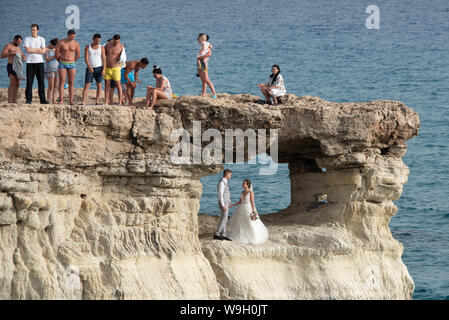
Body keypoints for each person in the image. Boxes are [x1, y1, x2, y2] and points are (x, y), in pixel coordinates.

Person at [228, 179, 268, 244]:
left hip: (248, 209)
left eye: (244, 183)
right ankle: (241, 235)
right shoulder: (242, 192)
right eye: (242, 183)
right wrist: (232, 205)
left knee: (250, 222)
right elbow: (240, 201)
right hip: (241, 208)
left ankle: (253, 236)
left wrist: (253, 212)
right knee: (240, 222)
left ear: (247, 185)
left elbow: (252, 203)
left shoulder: (251, 193)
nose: (242, 184)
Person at [23, 24, 48, 104]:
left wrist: (33, 49)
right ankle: (28, 100)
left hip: (40, 62)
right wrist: (38, 49)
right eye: (31, 30)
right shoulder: (27, 39)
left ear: (37, 30)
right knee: (29, 82)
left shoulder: (41, 39)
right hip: (30, 62)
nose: (32, 31)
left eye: (34, 30)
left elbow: (43, 51)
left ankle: (43, 100)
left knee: (41, 81)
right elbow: (28, 50)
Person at [55, 29, 80, 105]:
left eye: (74, 36)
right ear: (68, 35)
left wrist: (72, 61)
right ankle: (61, 99)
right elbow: (56, 54)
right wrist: (61, 61)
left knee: (71, 82)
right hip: (62, 63)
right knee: (62, 81)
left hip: (72, 64)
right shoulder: (61, 42)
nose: (73, 37)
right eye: (71, 36)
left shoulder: (75, 43)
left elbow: (78, 55)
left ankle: (71, 100)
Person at [82, 34, 106, 105]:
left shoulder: (101, 47)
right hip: (90, 68)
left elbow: (104, 58)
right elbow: (86, 58)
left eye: (98, 41)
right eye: (96, 41)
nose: (97, 42)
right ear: (93, 39)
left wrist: (104, 69)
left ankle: (97, 101)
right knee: (87, 85)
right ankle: (83, 101)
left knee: (99, 85)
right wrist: (89, 67)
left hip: (99, 67)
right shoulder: (88, 46)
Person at [1, 35, 26, 103]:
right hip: (11, 65)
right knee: (12, 82)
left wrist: (23, 57)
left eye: (20, 42)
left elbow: (22, 56)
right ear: (14, 40)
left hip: (18, 67)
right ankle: (9, 100)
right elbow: (2, 55)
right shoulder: (9, 46)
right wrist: (10, 53)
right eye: (18, 42)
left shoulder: (18, 47)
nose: (19, 43)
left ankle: (14, 100)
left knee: (17, 83)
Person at [104, 34, 124, 105]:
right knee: (107, 85)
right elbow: (103, 55)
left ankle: (120, 102)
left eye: (118, 42)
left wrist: (122, 64)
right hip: (107, 68)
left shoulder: (121, 47)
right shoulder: (107, 45)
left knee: (118, 85)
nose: (116, 43)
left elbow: (123, 58)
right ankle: (106, 102)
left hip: (116, 68)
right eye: (115, 41)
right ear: (113, 40)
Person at [213, 169, 232, 241]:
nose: (230, 176)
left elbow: (226, 193)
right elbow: (220, 195)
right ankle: (217, 233)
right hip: (223, 203)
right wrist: (223, 205)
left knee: (225, 217)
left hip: (226, 202)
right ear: (226, 174)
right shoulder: (222, 183)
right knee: (224, 218)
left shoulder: (225, 181)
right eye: (230, 175)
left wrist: (229, 203)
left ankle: (224, 234)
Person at [196, 33, 217, 98]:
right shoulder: (205, 45)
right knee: (202, 80)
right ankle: (203, 93)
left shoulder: (206, 45)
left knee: (206, 79)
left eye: (199, 38)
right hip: (200, 62)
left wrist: (200, 57)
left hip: (203, 62)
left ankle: (214, 94)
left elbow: (209, 54)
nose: (198, 40)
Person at [44, 38, 59, 104]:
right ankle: (48, 100)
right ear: (51, 44)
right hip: (50, 68)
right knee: (50, 86)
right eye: (54, 46)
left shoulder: (57, 49)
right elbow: (47, 59)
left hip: (57, 68)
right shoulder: (46, 49)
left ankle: (54, 100)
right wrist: (54, 56)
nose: (55, 47)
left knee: (56, 86)